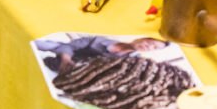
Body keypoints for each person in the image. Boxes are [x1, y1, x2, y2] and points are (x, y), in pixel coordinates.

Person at [36, 35, 169, 73]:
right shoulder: (100, 40)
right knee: (45, 44)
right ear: (141, 38)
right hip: (66, 55)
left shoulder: (134, 60)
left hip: (77, 70)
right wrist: (66, 58)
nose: (150, 47)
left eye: (154, 48)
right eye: (151, 43)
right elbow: (71, 45)